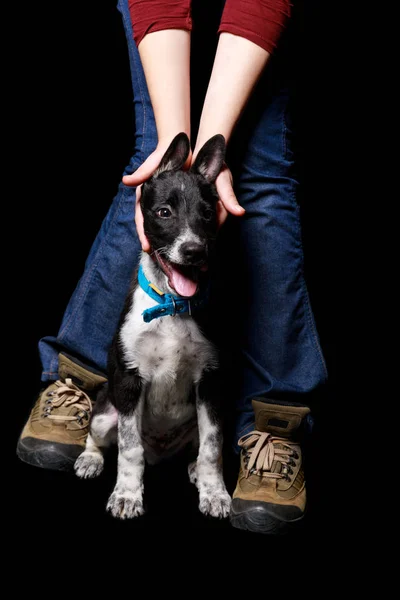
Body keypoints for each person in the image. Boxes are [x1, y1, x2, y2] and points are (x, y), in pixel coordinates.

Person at [17, 0, 328, 534]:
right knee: (152, 162)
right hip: (162, 19)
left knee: (262, 179)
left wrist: (214, 157)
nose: (190, 237)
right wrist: (172, 147)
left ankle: (273, 422)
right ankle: (80, 379)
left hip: (264, 17)